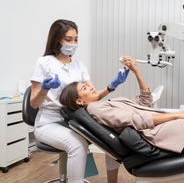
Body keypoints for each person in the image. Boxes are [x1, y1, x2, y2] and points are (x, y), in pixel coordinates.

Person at [30, 19, 127, 183]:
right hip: (49, 123)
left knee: (111, 136)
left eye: (76, 39)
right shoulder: (43, 63)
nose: (73, 43)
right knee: (77, 144)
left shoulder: (79, 65)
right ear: (57, 40)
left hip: (76, 120)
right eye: (68, 39)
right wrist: (44, 89)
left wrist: (112, 86)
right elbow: (33, 103)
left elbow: (93, 97)